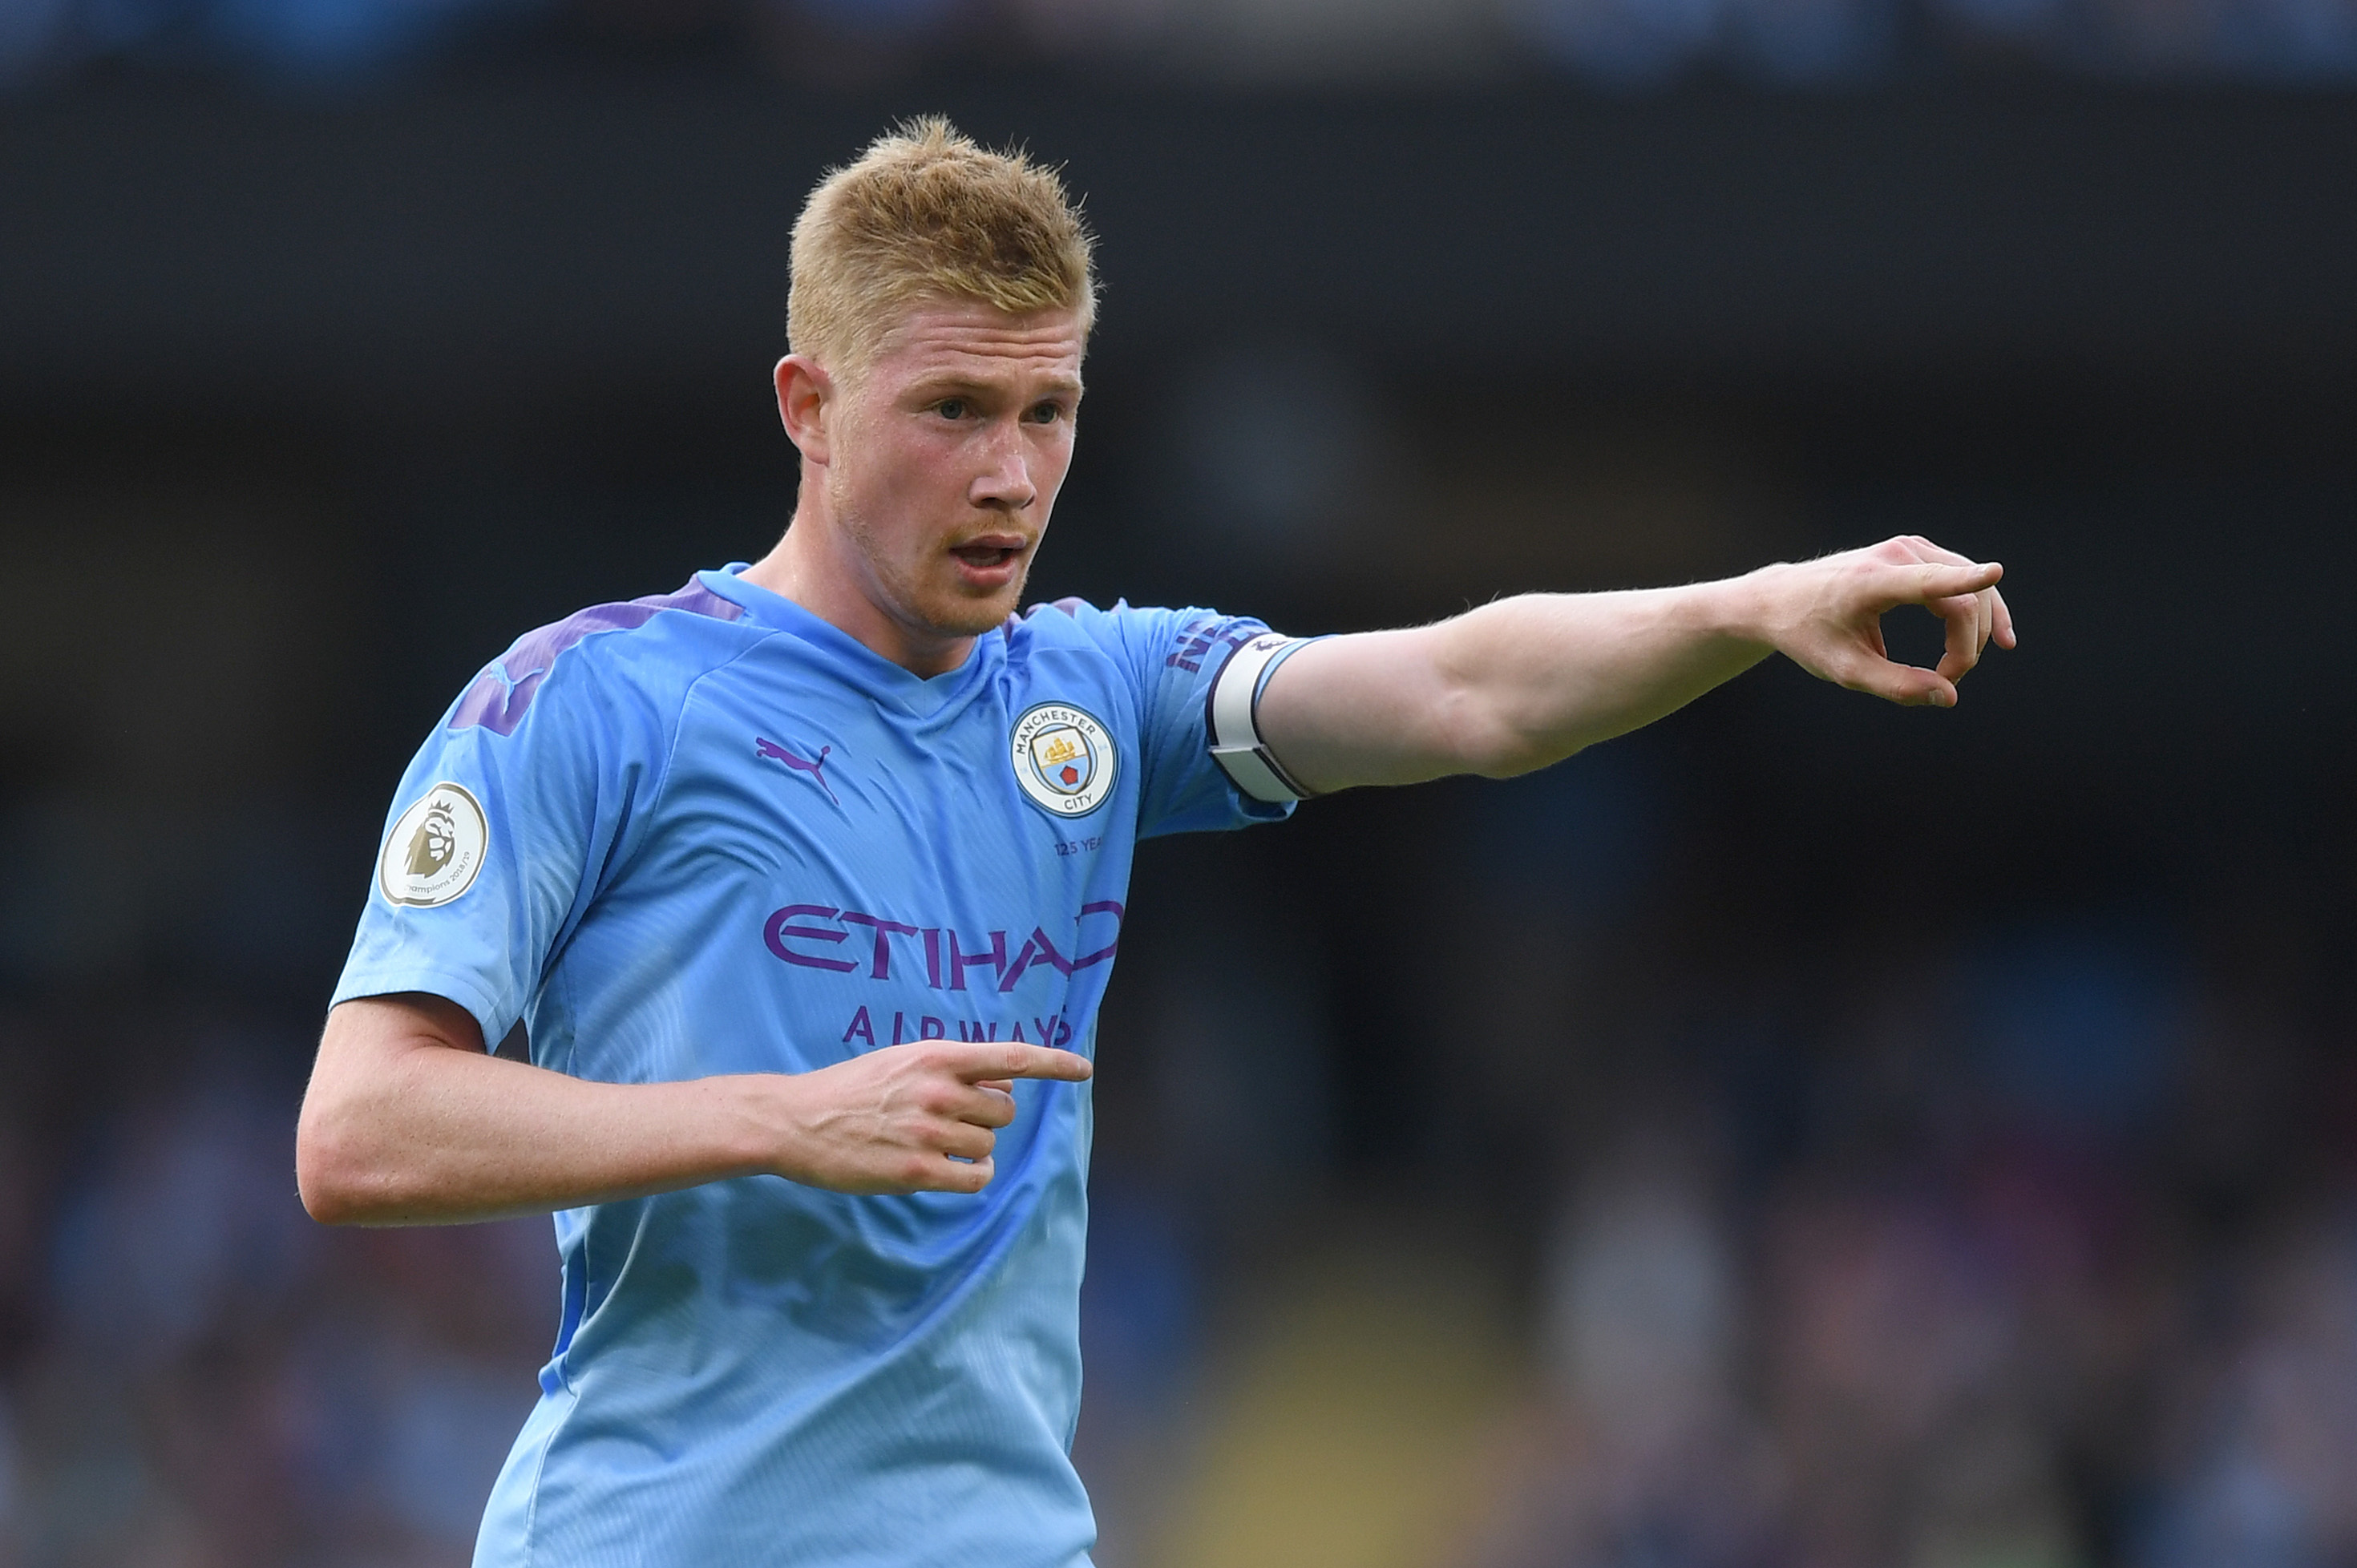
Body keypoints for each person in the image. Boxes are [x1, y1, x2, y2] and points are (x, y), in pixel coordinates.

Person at [295, 118, 2014, 1566]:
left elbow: (1469, 693)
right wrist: (781, 1119)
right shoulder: (591, 705)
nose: (1011, 474)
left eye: (1049, 413)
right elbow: (358, 1130)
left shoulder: (1097, 694)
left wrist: (1752, 602)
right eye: (953, 408)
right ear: (808, 405)